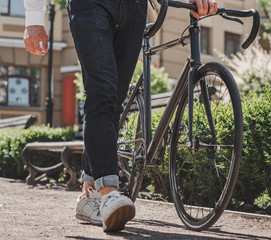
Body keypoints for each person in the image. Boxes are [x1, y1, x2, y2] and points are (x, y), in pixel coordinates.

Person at [24, 0, 217, 232]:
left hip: (134, 7)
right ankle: (109, 192)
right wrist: (35, 18)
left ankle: (89, 193)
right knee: (102, 93)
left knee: (114, 101)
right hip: (90, 5)